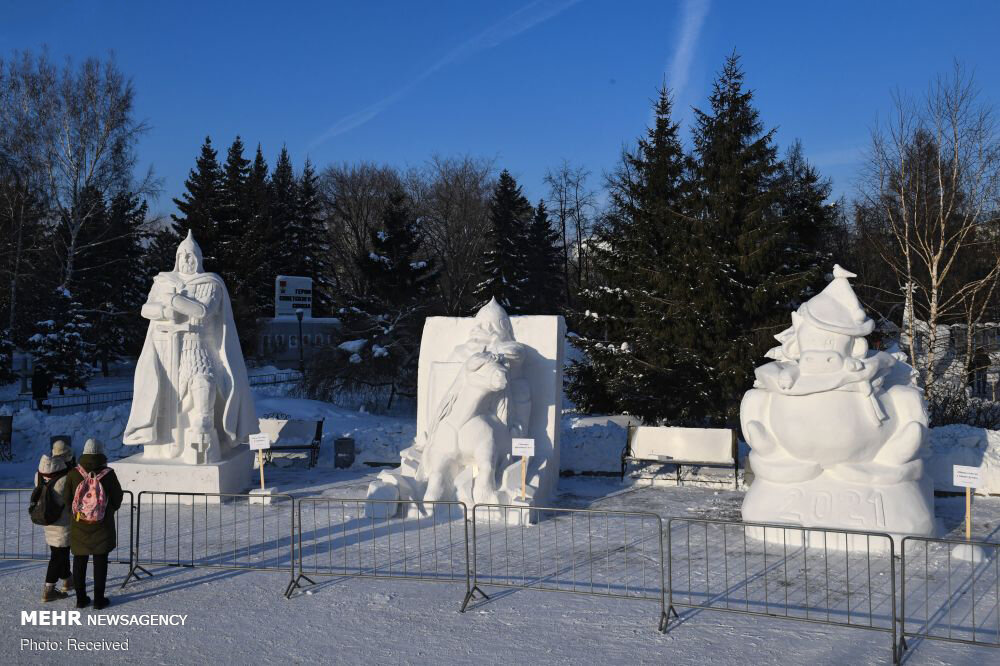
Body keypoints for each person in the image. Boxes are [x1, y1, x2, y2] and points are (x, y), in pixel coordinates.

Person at [63, 438, 123, 610]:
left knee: (79, 561)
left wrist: (75, 514)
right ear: (100, 452)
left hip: (79, 523)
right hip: (102, 524)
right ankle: (98, 600)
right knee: (100, 561)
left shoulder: (74, 473)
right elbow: (117, 498)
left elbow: (66, 498)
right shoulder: (108, 474)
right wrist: (107, 511)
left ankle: (81, 598)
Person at [35, 455, 72, 601]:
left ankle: (68, 579)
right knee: (58, 556)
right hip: (63, 523)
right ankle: (49, 589)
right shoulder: (65, 479)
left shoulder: (38, 475)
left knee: (60, 552)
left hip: (47, 520)